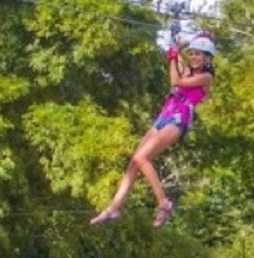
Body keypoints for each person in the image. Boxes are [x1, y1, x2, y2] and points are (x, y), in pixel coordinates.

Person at [90, 29, 215, 228]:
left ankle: (163, 202)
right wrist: (179, 46)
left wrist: (174, 56)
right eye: (191, 54)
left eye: (197, 54)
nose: (192, 57)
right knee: (134, 162)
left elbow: (176, 81)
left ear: (207, 58)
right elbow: (176, 56)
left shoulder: (206, 77)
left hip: (178, 119)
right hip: (163, 116)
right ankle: (114, 207)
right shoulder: (188, 70)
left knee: (142, 158)